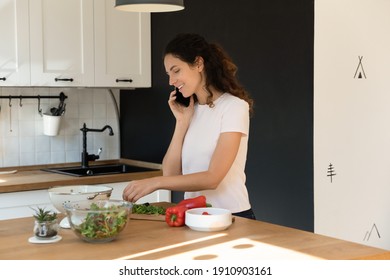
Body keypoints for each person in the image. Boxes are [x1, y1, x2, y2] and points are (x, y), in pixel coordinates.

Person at [123, 33, 255, 219]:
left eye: (176, 70)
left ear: (199, 64)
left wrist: (154, 182)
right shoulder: (191, 111)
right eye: (169, 74)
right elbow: (170, 173)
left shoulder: (233, 107)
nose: (171, 81)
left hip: (231, 217)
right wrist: (181, 123)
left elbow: (213, 178)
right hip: (193, 216)